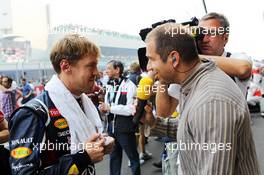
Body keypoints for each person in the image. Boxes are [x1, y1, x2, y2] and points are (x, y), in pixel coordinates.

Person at [142, 23, 260, 175]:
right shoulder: (193, 84)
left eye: (151, 59)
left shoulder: (211, 101)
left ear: (174, 59)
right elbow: (194, 129)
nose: (149, 67)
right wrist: (153, 123)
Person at [9, 34, 114, 175]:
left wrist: (100, 144)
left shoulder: (83, 101)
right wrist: (83, 158)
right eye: (91, 65)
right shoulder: (33, 113)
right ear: (65, 66)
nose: (97, 72)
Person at [99, 60, 140, 175]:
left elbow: (130, 109)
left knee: (133, 158)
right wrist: (103, 109)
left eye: (108, 68)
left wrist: (110, 108)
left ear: (117, 70)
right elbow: (108, 108)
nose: (106, 71)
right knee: (114, 160)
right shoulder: (109, 85)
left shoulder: (129, 85)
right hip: (111, 130)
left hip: (125, 129)